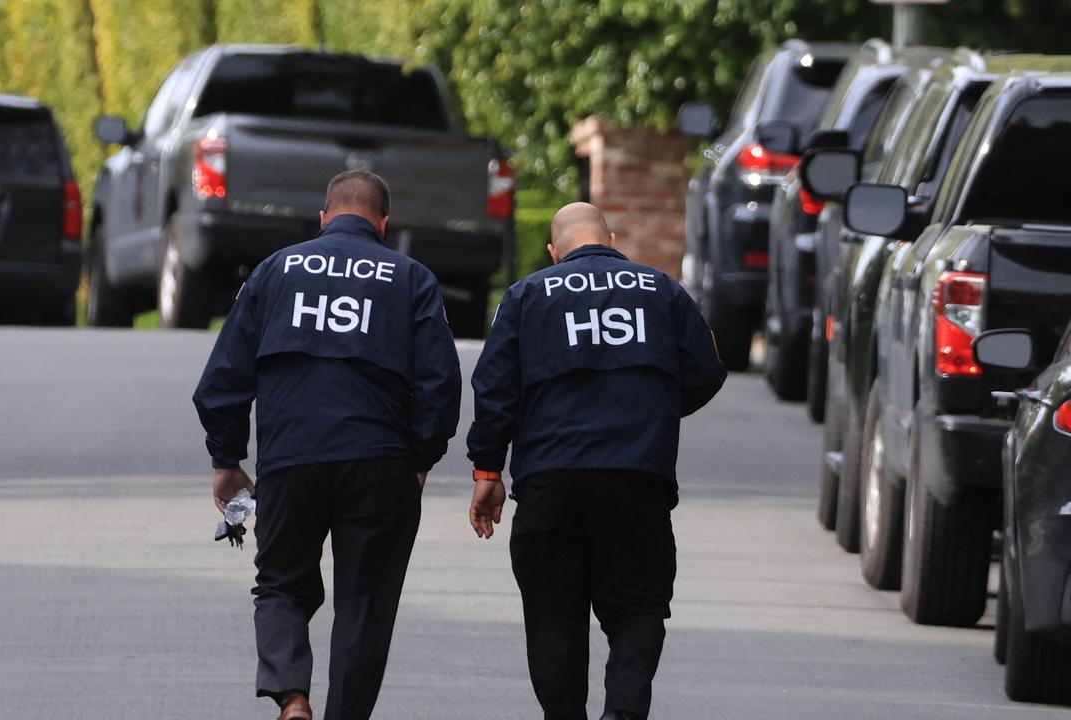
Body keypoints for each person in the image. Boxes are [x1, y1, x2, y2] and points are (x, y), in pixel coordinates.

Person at [193, 170, 461, 720]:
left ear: (323, 218)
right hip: (380, 462)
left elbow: (223, 377)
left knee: (281, 585)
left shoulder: (274, 270)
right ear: (383, 224)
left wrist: (227, 459)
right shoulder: (411, 278)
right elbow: (440, 383)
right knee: (366, 603)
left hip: (293, 458)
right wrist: (420, 459)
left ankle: (292, 697)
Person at [466, 202, 726, 720]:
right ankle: (624, 713)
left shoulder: (526, 296)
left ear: (552, 251)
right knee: (640, 606)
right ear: (611, 238)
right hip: (637, 481)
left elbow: (495, 391)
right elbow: (705, 372)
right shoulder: (663, 291)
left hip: (550, 485)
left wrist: (487, 471)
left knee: (552, 616)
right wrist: (650, 411)